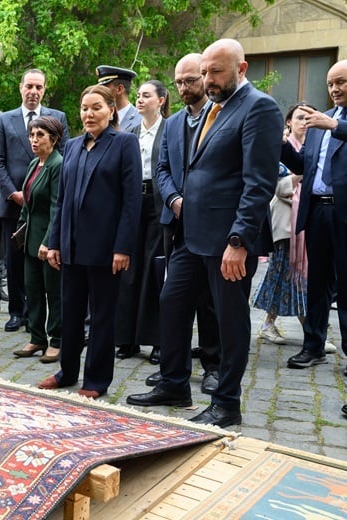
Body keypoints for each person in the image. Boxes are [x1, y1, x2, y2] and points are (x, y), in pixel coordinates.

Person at [127, 39, 283, 427]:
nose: (209, 79)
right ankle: (174, 384)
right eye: (205, 72)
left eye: (216, 72)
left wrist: (239, 241)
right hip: (190, 236)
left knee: (230, 321)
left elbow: (258, 183)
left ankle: (226, 403)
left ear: (241, 69)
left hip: (227, 241)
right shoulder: (214, 108)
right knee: (172, 303)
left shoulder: (259, 108)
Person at [37, 84, 141, 398]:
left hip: (106, 249)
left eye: (96, 107)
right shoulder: (72, 146)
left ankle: (96, 380)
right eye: (84, 108)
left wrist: (123, 247)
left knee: (101, 317)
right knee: (70, 312)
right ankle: (67, 371)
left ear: (111, 110)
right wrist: (55, 242)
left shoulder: (125, 143)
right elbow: (62, 200)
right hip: (70, 246)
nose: (89, 114)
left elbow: (131, 201)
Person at [143, 53, 222, 396]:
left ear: (204, 77)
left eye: (190, 80)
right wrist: (174, 199)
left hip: (213, 225)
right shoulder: (172, 123)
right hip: (176, 223)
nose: (184, 87)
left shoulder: (222, 116)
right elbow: (162, 168)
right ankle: (172, 374)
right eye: (178, 82)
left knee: (210, 301)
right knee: (172, 298)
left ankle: (214, 367)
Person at [281, 60, 347, 376]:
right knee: (317, 283)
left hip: (344, 213)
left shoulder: (328, 122)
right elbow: (303, 166)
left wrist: (334, 126)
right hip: (318, 210)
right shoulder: (322, 121)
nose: (334, 88)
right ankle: (313, 346)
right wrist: (281, 146)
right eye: (330, 83)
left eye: (341, 82)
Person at [0, 69, 70, 333]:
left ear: (44, 89)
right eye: (29, 86)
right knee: (15, 262)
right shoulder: (5, 119)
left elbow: (65, 157)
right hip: (14, 202)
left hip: (47, 204)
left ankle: (40, 319)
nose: (34, 91)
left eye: (39, 87)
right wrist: (14, 193)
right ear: (21, 87)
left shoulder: (58, 117)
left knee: (45, 263)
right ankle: (17, 312)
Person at [115, 80, 169, 363]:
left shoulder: (170, 129)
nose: (139, 99)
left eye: (146, 95)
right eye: (138, 95)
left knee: (154, 271)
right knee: (129, 269)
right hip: (133, 202)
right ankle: (127, 338)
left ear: (161, 100)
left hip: (159, 204)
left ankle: (157, 339)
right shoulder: (131, 133)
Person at [253, 103, 315, 346]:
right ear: (288, 122)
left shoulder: (314, 148)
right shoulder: (280, 147)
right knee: (284, 273)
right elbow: (278, 187)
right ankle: (309, 329)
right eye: (299, 118)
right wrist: (305, 171)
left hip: (308, 221)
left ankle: (272, 324)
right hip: (285, 222)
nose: (304, 123)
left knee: (289, 276)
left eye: (309, 118)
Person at [12, 116, 64, 363]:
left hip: (48, 242)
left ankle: (57, 340)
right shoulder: (35, 163)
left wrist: (49, 241)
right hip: (30, 240)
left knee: (53, 292)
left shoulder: (57, 165)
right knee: (32, 290)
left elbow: (56, 207)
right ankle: (37, 338)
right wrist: (19, 230)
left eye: (40, 135)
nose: (34, 140)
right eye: (32, 135)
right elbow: (27, 201)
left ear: (53, 139)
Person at [96, 65, 140, 131]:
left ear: (119, 89)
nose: (100, 92)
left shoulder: (140, 120)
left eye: (104, 89)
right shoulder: (99, 117)